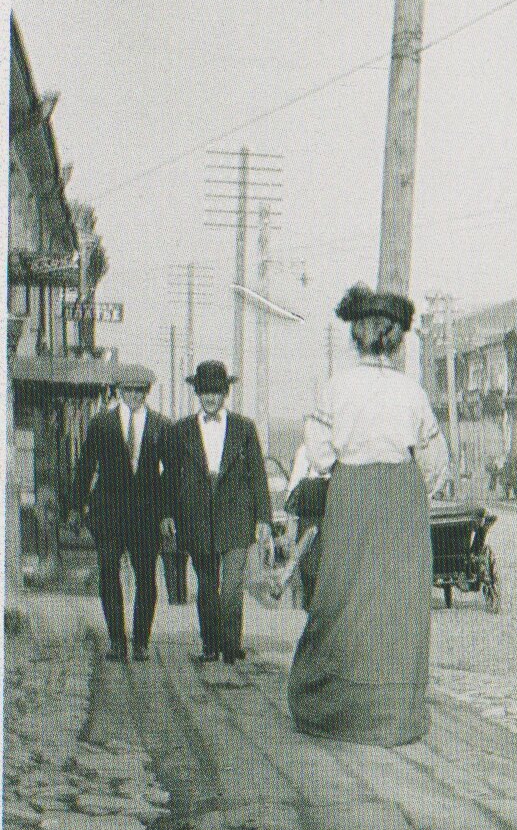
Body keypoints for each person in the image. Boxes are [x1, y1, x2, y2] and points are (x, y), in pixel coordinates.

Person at [286, 285, 450, 746]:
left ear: (356, 334)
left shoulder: (336, 387)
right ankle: (393, 710)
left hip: (352, 492)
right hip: (401, 496)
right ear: (395, 339)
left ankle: (339, 705)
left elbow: (319, 452)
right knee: (397, 598)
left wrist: (346, 465)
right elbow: (435, 462)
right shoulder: (411, 391)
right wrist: (414, 487)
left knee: (344, 590)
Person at [165, 361, 275, 664]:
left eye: (216, 391)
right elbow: (171, 478)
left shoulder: (244, 428)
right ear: (198, 393)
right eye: (205, 392)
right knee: (206, 586)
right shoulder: (181, 431)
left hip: (236, 515)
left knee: (231, 586)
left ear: (225, 393)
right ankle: (210, 645)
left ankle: (231, 645)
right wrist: (168, 514)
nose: (210, 397)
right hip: (197, 517)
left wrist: (264, 518)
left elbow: (257, 474)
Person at [71, 365, 169, 661]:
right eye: (128, 390)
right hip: (109, 514)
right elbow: (86, 465)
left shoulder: (161, 425)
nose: (134, 395)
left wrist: (167, 513)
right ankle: (116, 640)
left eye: (140, 390)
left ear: (147, 392)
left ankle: (141, 641)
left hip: (146, 517)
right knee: (108, 575)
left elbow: (172, 473)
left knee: (147, 579)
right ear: (119, 391)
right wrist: (75, 506)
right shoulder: (102, 423)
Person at [280, 440, 329, 610]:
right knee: (310, 572)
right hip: (311, 520)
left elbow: (292, 491)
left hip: (325, 519)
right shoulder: (306, 451)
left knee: (318, 572)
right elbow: (293, 492)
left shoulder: (341, 451)